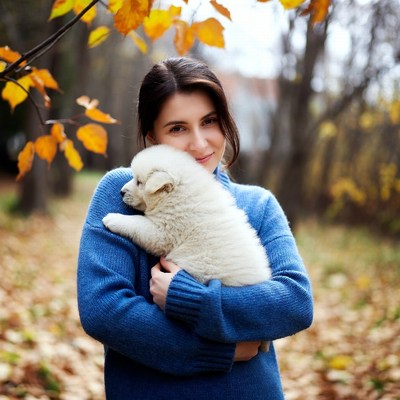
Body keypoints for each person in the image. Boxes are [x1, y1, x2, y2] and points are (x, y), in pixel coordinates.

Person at [77, 57, 313, 400]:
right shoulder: (122, 193)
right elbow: (104, 310)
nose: (200, 143)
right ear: (152, 137)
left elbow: (294, 303)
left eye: (209, 121)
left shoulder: (257, 205)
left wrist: (194, 301)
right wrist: (220, 351)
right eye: (178, 128)